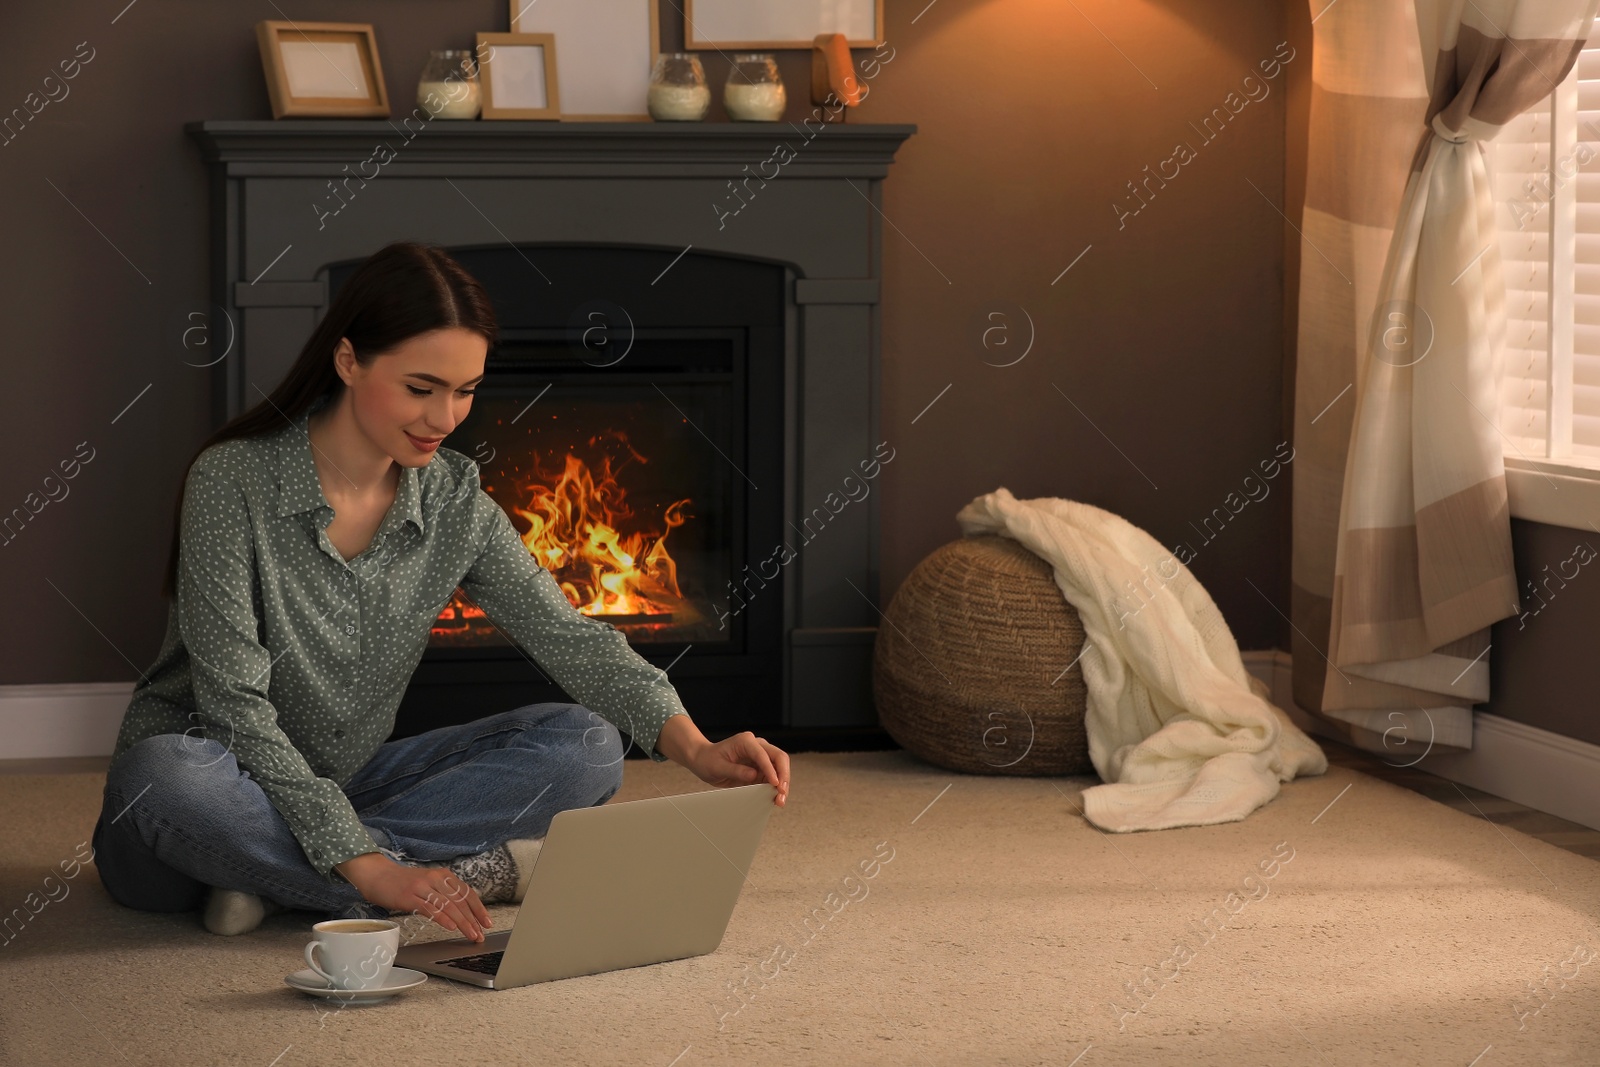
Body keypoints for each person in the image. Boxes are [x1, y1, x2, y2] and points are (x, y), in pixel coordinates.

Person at [92, 241, 790, 940]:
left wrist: (695, 747)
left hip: (349, 785)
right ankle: (411, 873)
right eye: (421, 388)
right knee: (165, 773)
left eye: (466, 390)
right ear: (347, 361)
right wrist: (368, 865)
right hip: (202, 796)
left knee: (586, 744)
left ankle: (281, 883)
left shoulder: (454, 498)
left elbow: (568, 636)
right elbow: (233, 712)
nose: (446, 417)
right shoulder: (231, 481)